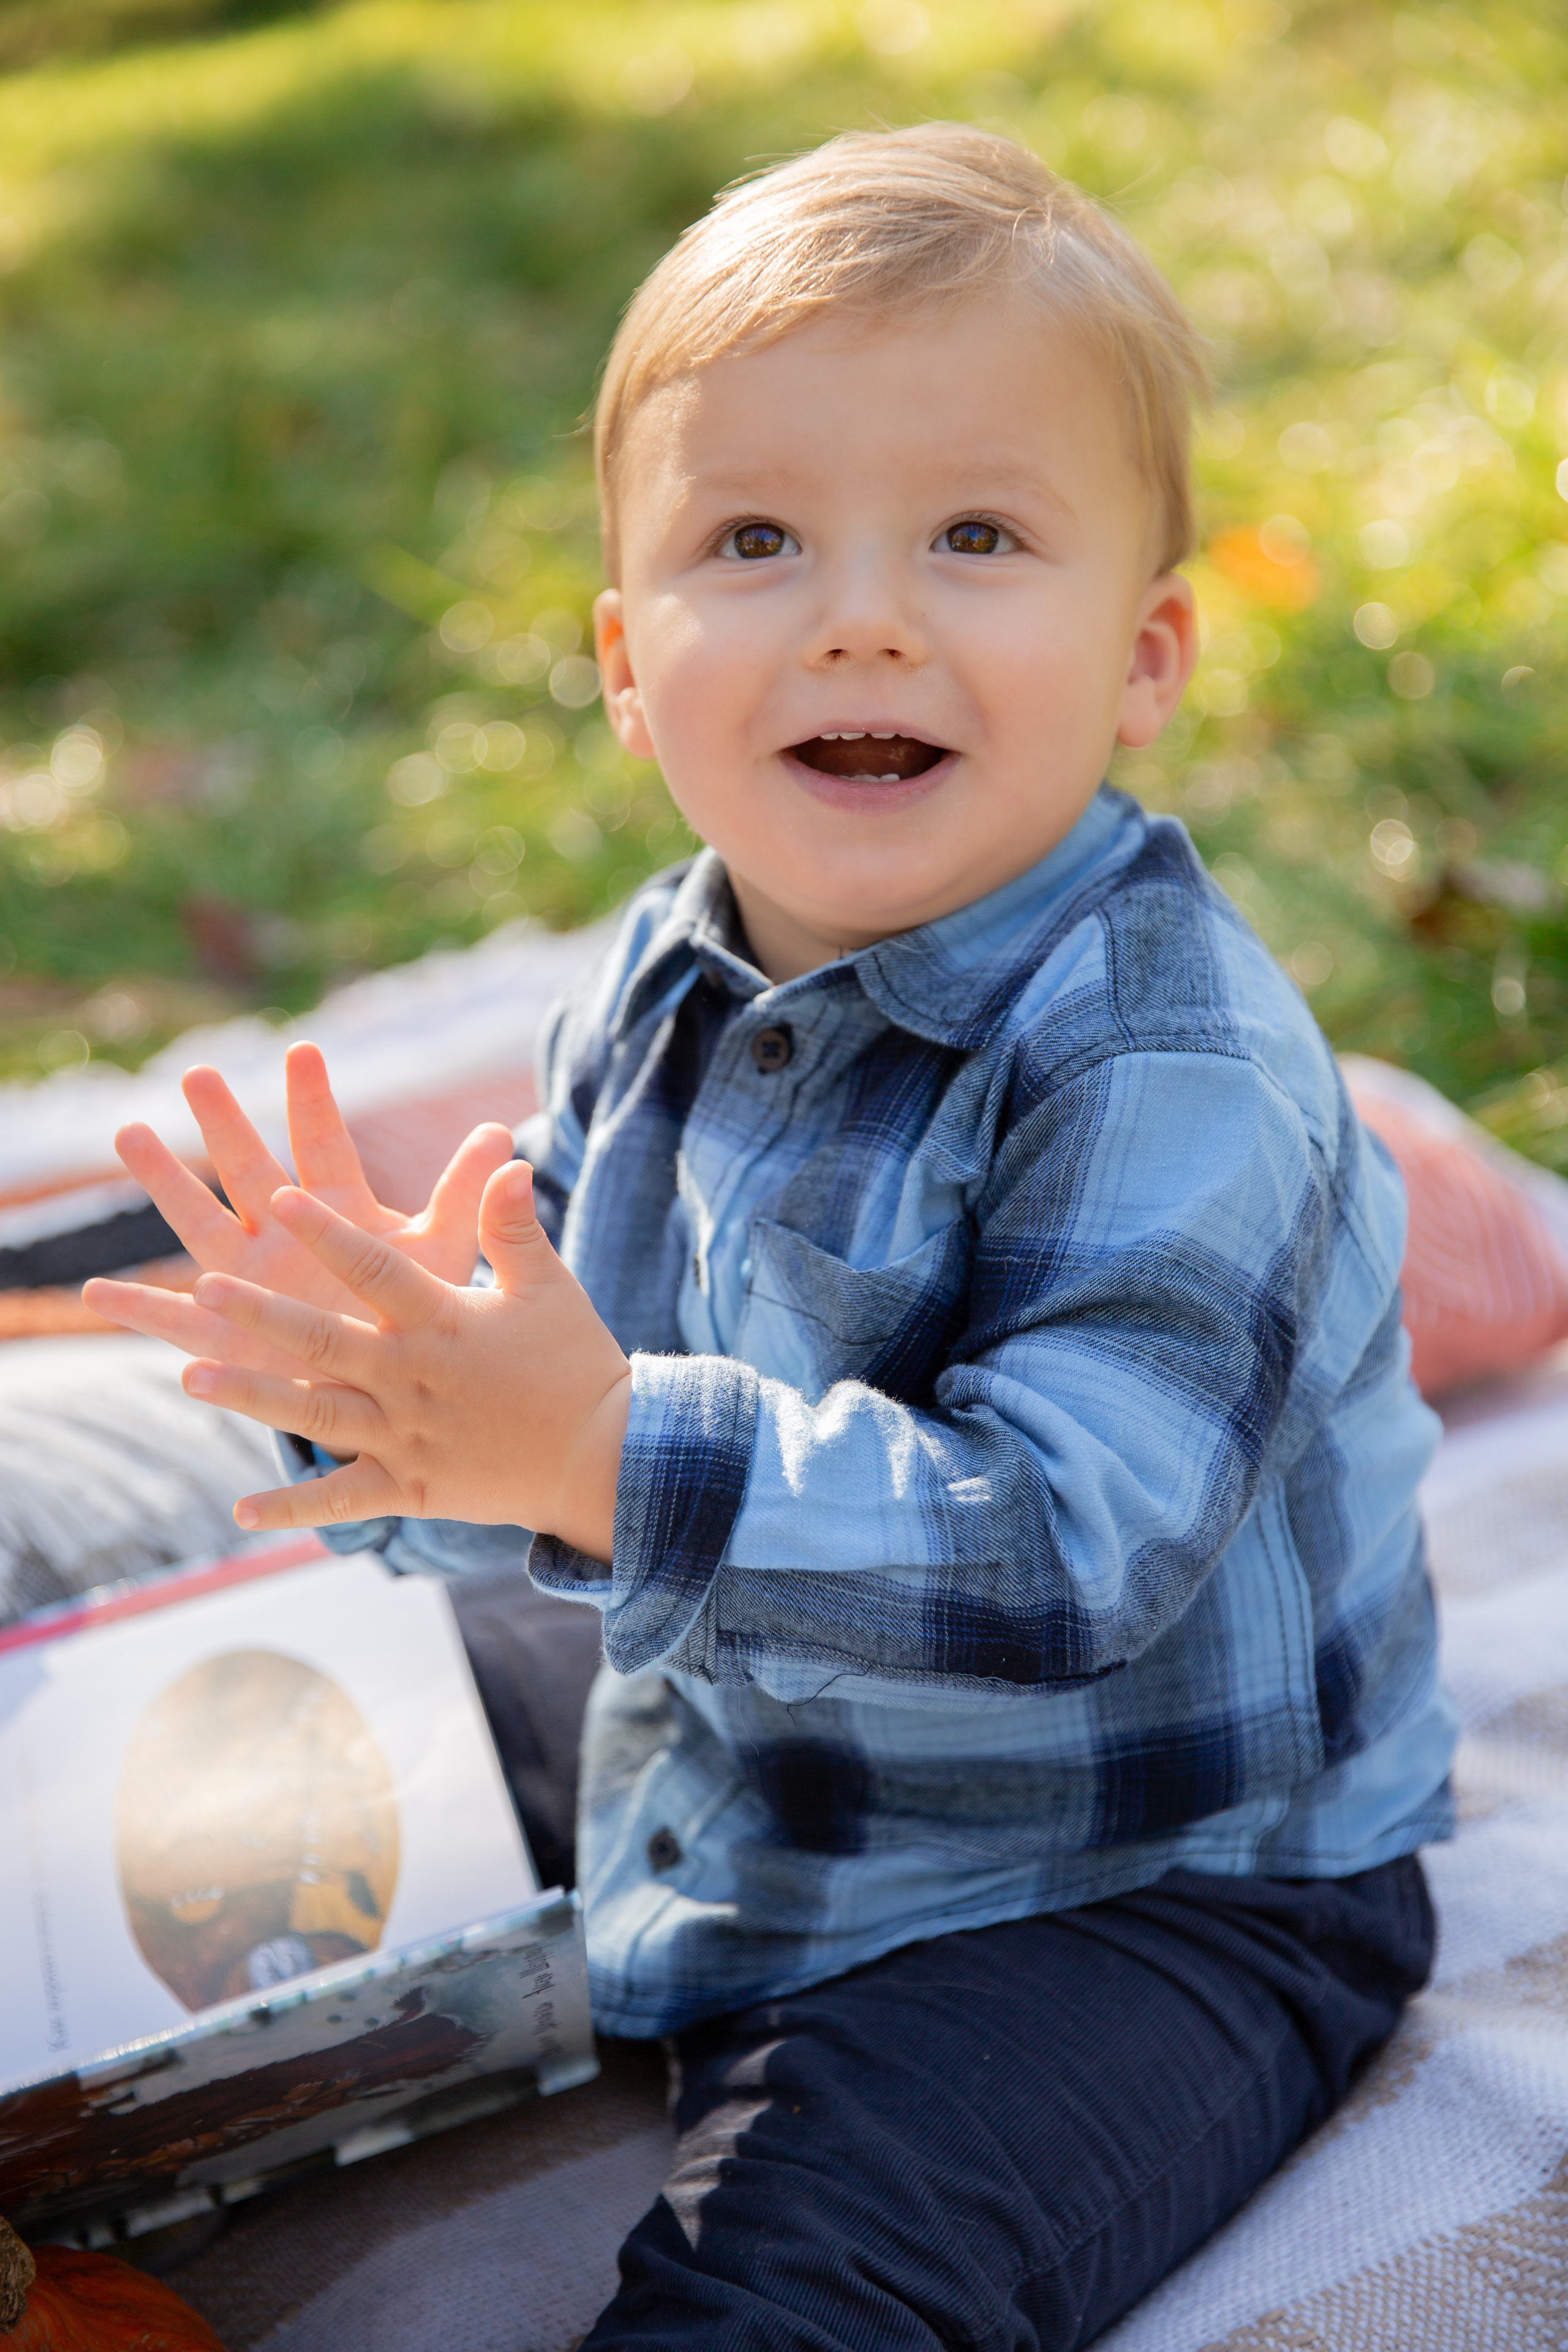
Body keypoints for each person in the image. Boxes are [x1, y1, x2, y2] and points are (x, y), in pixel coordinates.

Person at [88, 124, 1456, 2351]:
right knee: (221, 1788)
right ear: (630, 668)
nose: (864, 610)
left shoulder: (1174, 1064)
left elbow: (1069, 1558)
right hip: (739, 1728)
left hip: (1138, 1882)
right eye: (757, 539)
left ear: (1148, 654)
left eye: (980, 535)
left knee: (802, 2281)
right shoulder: (659, 971)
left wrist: (595, 1455)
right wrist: (398, 1406)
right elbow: (556, 1424)